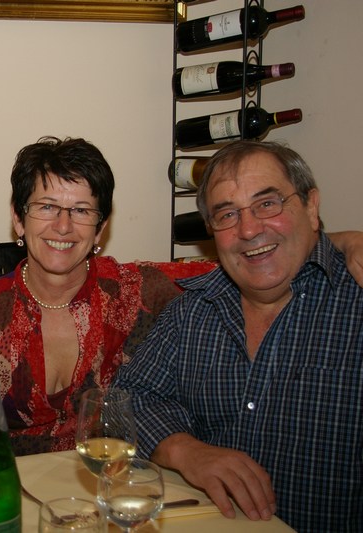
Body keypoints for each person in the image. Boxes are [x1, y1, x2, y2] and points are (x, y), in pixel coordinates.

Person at [113, 140, 363, 532]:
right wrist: (185, 450)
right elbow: (125, 401)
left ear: (311, 207)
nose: (248, 229)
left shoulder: (355, 304)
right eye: (227, 214)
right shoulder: (191, 312)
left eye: (267, 203)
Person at [0, 137, 215, 455]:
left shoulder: (137, 293)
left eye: (81, 210)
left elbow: (234, 273)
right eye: (47, 207)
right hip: (10, 482)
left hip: (111, 478)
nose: (63, 226)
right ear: (18, 218)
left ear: (100, 228)